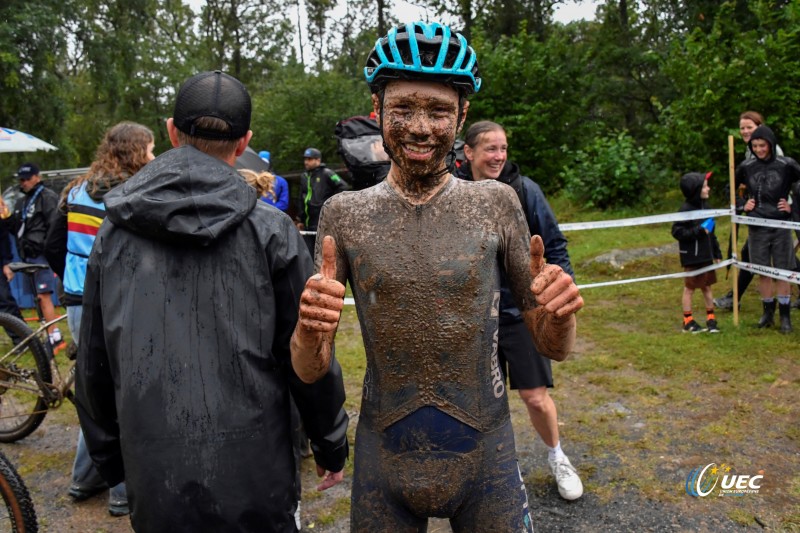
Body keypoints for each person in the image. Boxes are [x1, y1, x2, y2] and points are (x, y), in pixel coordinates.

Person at [290, 22, 582, 531]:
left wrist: (559, 314)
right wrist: (308, 331)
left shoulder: (495, 203)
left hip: (486, 452)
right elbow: (312, 369)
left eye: (440, 111)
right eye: (403, 109)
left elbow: (552, 346)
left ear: (461, 115)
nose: (421, 127)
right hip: (385, 458)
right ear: (377, 111)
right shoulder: (344, 214)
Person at [74, 70, 349, 532]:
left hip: (156, 478)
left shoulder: (114, 233)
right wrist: (330, 442)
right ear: (244, 143)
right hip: (258, 482)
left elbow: (93, 365)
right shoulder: (272, 231)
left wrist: (111, 461)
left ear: (170, 131)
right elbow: (309, 351)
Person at [455, 120, 583, 500]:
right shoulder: (451, 190)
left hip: (520, 312)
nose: (498, 156)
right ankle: (495, 469)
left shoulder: (525, 190)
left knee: (534, 397)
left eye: (503, 148)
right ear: (468, 152)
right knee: (476, 401)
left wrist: (562, 294)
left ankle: (557, 456)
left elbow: (555, 245)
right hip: (471, 316)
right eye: (490, 149)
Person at [44, 121, 155, 517]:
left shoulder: (74, 189)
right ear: (136, 152)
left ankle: (85, 477)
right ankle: (122, 490)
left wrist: (71, 280)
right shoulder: (136, 193)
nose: (154, 157)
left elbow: (53, 243)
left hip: (77, 298)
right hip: (120, 296)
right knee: (124, 391)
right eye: (151, 150)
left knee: (93, 386)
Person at [715, 111, 784, 311]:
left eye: (749, 127)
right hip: (760, 211)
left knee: (762, 254)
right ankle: (733, 298)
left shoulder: (773, 151)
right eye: (742, 127)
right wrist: (742, 199)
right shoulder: (750, 150)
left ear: (760, 128)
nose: (745, 131)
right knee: (770, 254)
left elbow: (779, 179)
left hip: (777, 211)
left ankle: (733, 298)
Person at [735, 125, 800, 333]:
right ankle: (767, 312)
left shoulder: (786, 165)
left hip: (780, 225)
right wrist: (742, 204)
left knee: (783, 272)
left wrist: (792, 207)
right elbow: (730, 187)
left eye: (762, 145)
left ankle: (785, 316)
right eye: (754, 146)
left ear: (771, 145)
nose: (759, 149)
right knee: (762, 270)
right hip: (757, 225)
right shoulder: (746, 166)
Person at [0, 163, 62, 348]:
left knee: (44, 296)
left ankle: (55, 337)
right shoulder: (22, 201)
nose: (24, 182)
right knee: (37, 298)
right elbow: (17, 229)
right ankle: (48, 336)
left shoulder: (47, 197)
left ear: (37, 176)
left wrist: (50, 249)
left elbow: (55, 225)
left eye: (27, 178)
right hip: (27, 255)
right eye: (21, 179)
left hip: (42, 256)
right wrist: (7, 215)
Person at [671, 172, 722, 333]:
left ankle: (711, 318)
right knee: (690, 288)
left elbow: (711, 232)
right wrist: (699, 231)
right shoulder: (685, 210)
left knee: (707, 286)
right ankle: (688, 320)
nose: (709, 188)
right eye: (705, 186)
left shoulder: (707, 207)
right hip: (692, 257)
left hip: (706, 255)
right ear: (696, 190)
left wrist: (716, 252)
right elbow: (678, 232)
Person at [295, 147, 348, 254]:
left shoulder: (327, 173)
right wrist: (300, 218)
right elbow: (301, 197)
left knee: (321, 253)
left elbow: (343, 186)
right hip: (307, 222)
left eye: (309, 159)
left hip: (321, 219)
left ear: (318, 160)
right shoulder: (304, 176)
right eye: (305, 159)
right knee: (307, 253)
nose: (306, 162)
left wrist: (330, 203)